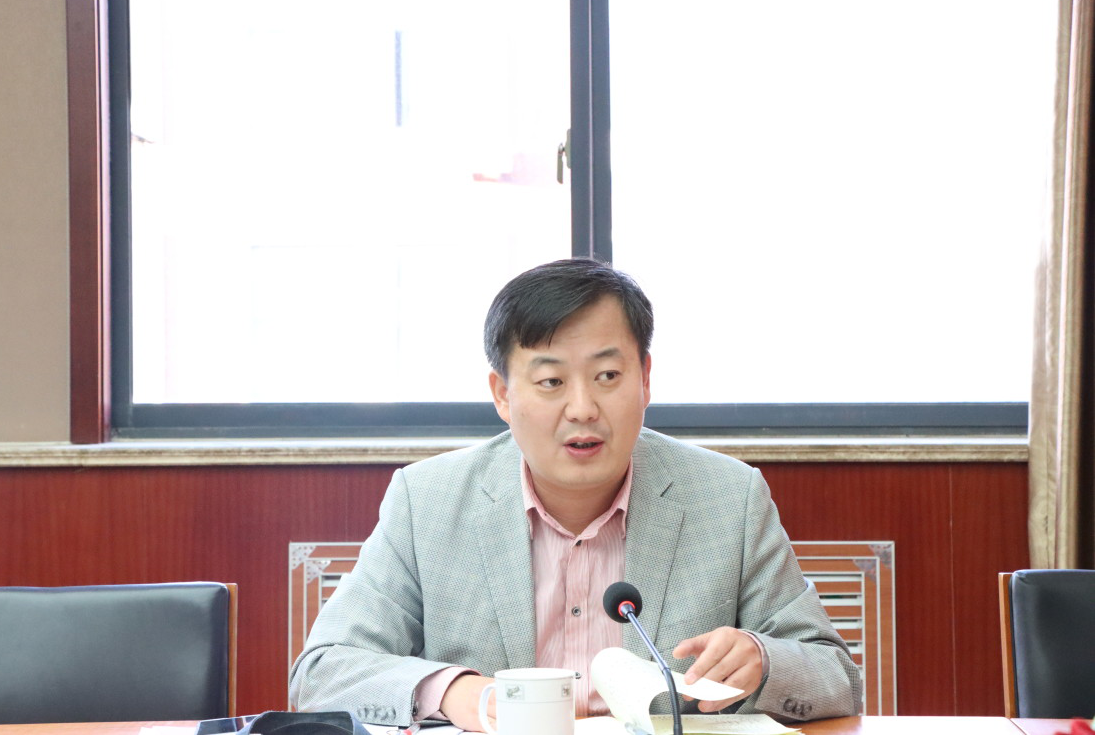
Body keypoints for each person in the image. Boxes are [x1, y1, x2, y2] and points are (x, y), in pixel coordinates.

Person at [289, 258, 862, 728]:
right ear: (502, 394)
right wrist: (459, 693)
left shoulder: (728, 498)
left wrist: (763, 661)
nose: (583, 408)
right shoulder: (428, 501)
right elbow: (323, 672)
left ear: (645, 378)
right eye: (551, 381)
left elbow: (836, 678)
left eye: (607, 376)